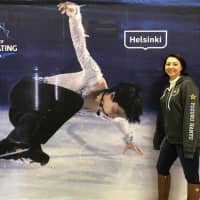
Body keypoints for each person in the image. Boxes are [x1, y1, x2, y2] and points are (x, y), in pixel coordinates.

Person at [0, 2, 143, 166]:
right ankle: (18, 140)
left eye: (117, 114)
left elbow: (121, 121)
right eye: (116, 111)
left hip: (24, 115)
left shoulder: (106, 110)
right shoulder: (93, 75)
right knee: (74, 101)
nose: (113, 116)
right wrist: (75, 16)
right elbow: (80, 46)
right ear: (112, 95)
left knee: (40, 156)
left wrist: (129, 141)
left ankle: (21, 145)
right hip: (27, 91)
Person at [153, 54, 200, 200]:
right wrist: (158, 138)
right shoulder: (167, 88)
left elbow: (192, 115)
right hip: (170, 140)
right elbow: (162, 115)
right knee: (161, 168)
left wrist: (190, 144)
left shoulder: (187, 85)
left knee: (191, 176)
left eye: (175, 64)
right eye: (168, 64)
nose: (171, 67)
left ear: (181, 67)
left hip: (186, 141)